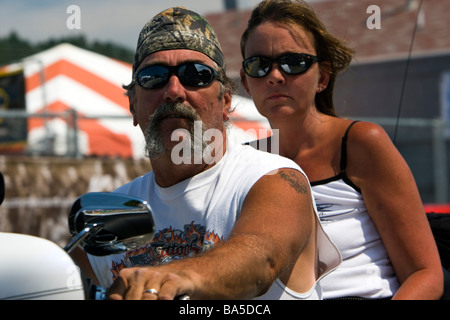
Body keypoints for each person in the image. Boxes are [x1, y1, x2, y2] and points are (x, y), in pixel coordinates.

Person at [80, 7, 341, 300]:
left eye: (196, 75)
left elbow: (260, 260)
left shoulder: (273, 179)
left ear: (225, 102)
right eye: (154, 77)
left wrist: (173, 277)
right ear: (132, 107)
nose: (174, 91)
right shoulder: (112, 213)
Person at [240, 0, 443, 299]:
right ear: (245, 82)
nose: (275, 76)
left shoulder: (360, 143)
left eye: (292, 62)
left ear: (322, 77)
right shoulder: (242, 164)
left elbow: (425, 274)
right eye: (258, 65)